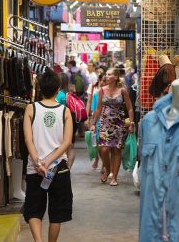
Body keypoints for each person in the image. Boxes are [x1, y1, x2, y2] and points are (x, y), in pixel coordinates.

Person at [23, 69, 74, 242]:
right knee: (57, 213)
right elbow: (66, 143)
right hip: (58, 168)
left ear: (39, 88)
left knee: (34, 210)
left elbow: (28, 140)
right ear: (58, 89)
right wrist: (48, 162)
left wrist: (38, 162)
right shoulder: (65, 111)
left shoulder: (31, 108)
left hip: (35, 169)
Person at [90, 68, 135, 186]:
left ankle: (114, 177)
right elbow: (98, 108)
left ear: (115, 77)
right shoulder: (102, 90)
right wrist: (93, 124)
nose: (106, 76)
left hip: (119, 124)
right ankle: (108, 168)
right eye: (106, 74)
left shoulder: (123, 91)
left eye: (109, 74)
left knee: (116, 150)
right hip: (104, 123)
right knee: (103, 149)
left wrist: (131, 122)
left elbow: (130, 108)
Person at [56, 72, 77, 169]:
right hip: (72, 120)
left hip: (62, 122)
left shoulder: (58, 94)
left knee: (62, 145)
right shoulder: (69, 93)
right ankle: (68, 167)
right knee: (71, 145)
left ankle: (64, 167)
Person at [85, 71, 105, 169]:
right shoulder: (92, 87)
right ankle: (97, 158)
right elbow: (89, 102)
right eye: (102, 79)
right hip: (94, 117)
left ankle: (104, 163)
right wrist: (86, 117)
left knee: (103, 141)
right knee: (95, 140)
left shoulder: (108, 89)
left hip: (105, 119)